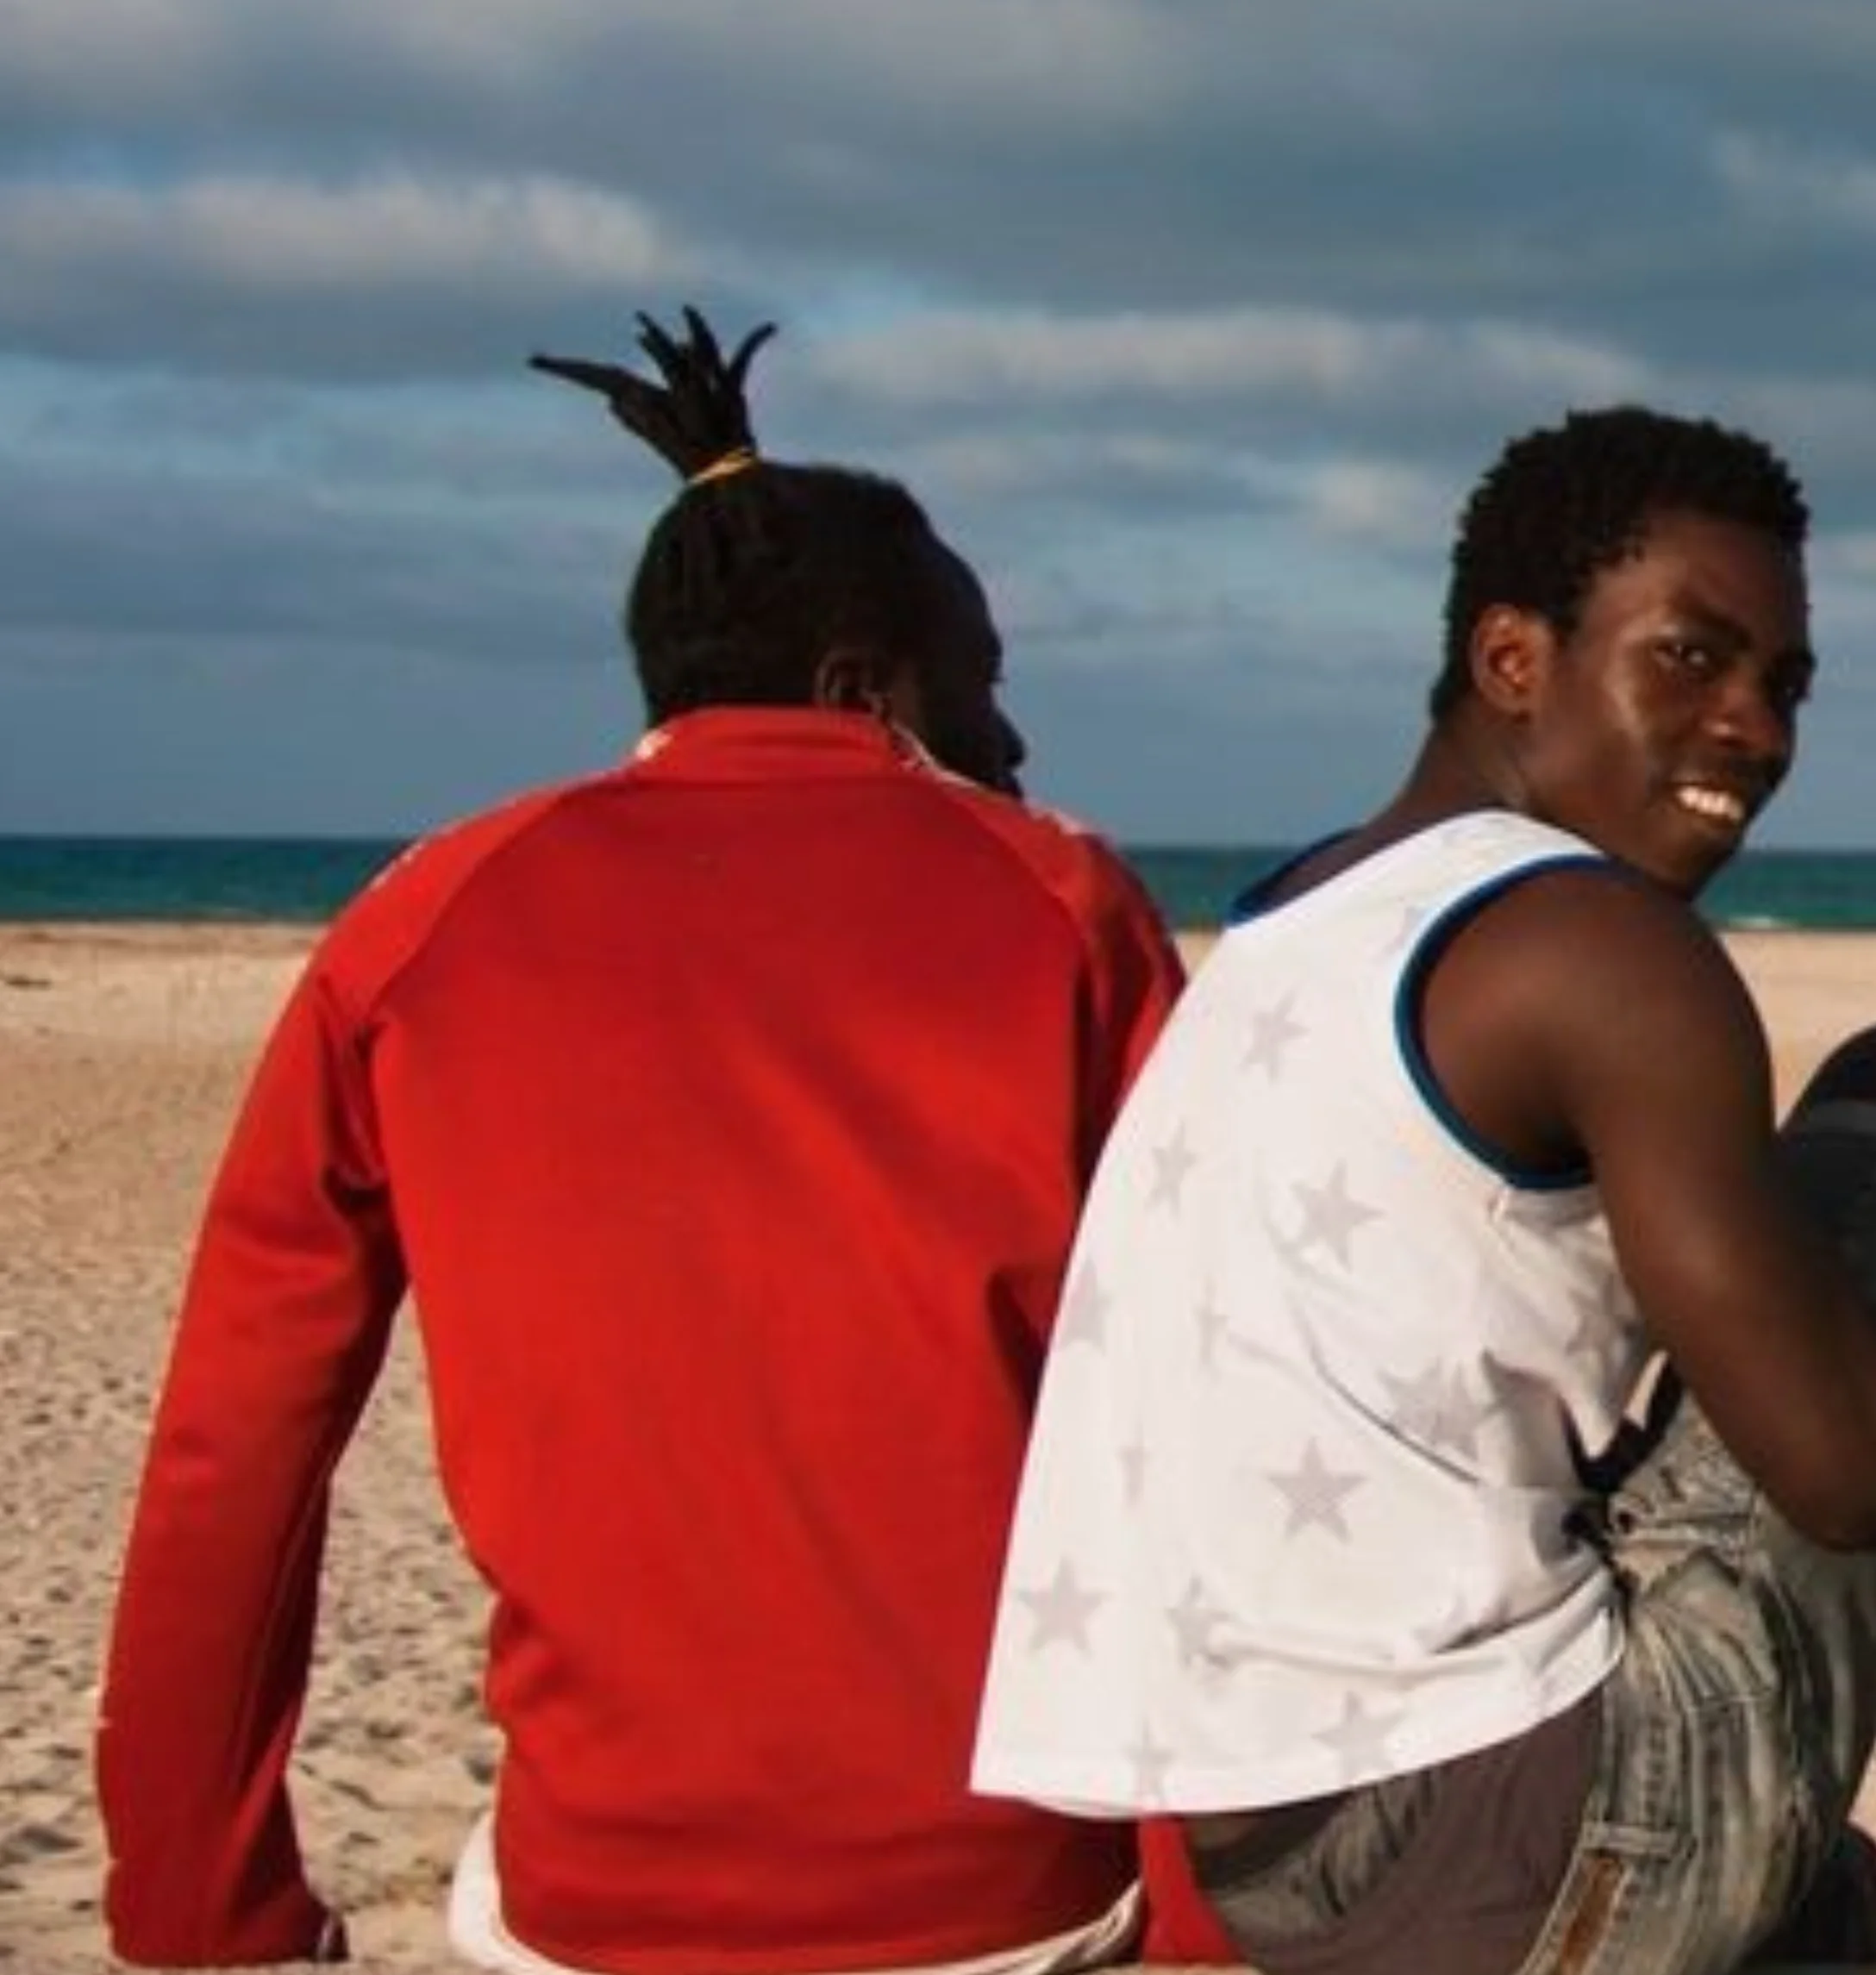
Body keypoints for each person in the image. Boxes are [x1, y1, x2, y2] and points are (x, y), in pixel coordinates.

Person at [969, 406, 1876, 1974]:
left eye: (1783, 684)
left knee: (1838, 1908)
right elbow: (1850, 1462)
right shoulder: (1597, 947)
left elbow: (1505, 1488)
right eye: (1690, 659)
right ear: (1514, 659)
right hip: (1529, 1853)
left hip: (1285, 1864)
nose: (1756, 728)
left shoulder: (1303, 921)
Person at [100, 309, 1209, 1973]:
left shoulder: (419, 925)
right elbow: (1198, 1418)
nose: (1015, 742)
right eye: (987, 686)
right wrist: (1200, 1927)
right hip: (1002, 1898)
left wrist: (201, 1911)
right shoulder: (1060, 903)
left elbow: (231, 1459)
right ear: (865, 689)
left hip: (588, 1907)